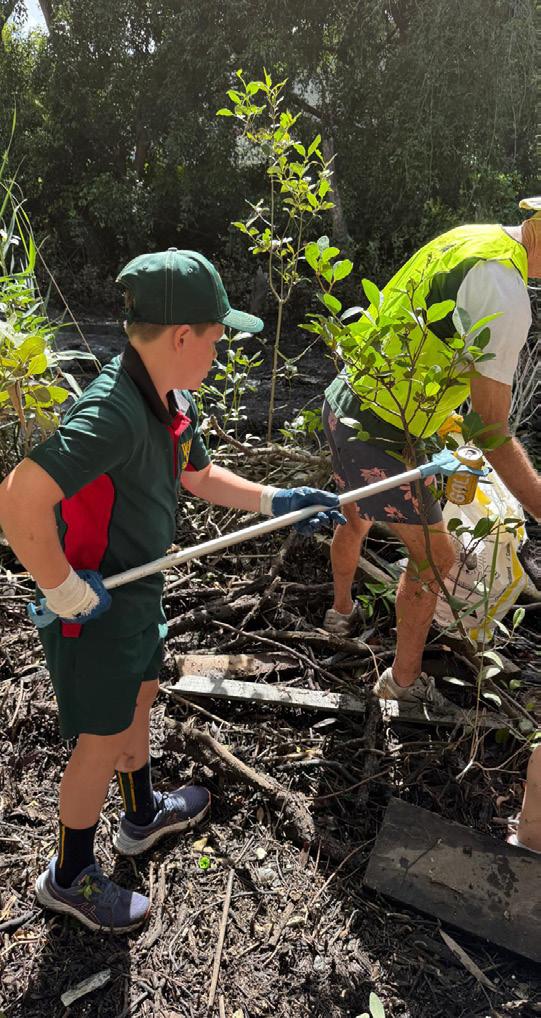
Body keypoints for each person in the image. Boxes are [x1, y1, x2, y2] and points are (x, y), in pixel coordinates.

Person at [0, 248, 345, 933]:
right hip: (93, 608)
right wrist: (62, 589)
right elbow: (17, 499)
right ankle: (68, 876)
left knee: (142, 697)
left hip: (137, 594)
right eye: (216, 339)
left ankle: (139, 817)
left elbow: (198, 476)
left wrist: (277, 499)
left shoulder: (169, 397)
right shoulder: (112, 413)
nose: (218, 353)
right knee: (99, 742)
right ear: (182, 336)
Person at [322, 198, 541, 704]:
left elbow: (421, 326)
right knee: (437, 556)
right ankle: (402, 684)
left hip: (346, 401)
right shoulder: (507, 294)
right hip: (379, 432)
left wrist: (440, 417)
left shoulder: (473, 237)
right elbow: (491, 429)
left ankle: (341, 612)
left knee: (354, 515)